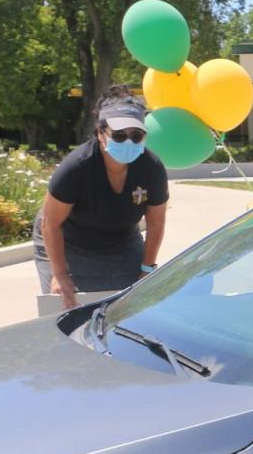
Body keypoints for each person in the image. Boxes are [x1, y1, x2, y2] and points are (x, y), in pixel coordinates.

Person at [33, 86, 170, 309]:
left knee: (132, 304)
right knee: (66, 305)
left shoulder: (151, 168)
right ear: (100, 133)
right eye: (118, 135)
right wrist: (59, 274)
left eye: (136, 136)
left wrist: (147, 270)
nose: (128, 142)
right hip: (66, 239)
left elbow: (156, 223)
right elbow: (52, 223)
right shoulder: (76, 167)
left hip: (121, 238)